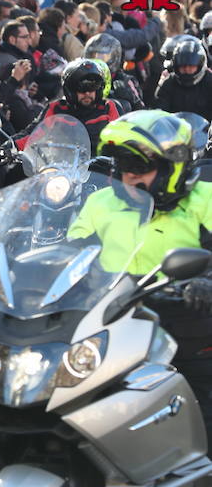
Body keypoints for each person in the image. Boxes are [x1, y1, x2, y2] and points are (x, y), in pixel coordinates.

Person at [68, 110, 212, 443]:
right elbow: (70, 252)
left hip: (190, 330)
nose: (129, 177)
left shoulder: (204, 201)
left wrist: (205, 282)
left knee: (202, 430)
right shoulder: (100, 203)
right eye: (122, 166)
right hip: (112, 329)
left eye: (139, 167)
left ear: (172, 166)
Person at [23, 59, 120, 154]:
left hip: (99, 167)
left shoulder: (107, 107)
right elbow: (33, 133)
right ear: (70, 90)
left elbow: (120, 137)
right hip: (63, 166)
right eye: (81, 88)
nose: (87, 93)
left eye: (92, 87)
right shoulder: (56, 108)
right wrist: (12, 145)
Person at [83, 32, 144, 111]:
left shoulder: (125, 81)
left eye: (104, 56)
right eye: (93, 55)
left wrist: (132, 99)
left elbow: (141, 110)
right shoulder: (82, 78)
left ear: (114, 57)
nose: (98, 59)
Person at [155, 38, 212, 119]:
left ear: (200, 65)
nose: (187, 69)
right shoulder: (168, 83)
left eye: (191, 66)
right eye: (183, 66)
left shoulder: (209, 82)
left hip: (205, 130)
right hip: (174, 129)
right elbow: (159, 111)